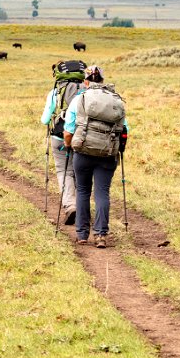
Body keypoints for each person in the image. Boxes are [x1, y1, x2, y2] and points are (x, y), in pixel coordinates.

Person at [63, 65, 128, 248]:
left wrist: (69, 145)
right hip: (107, 153)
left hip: (82, 152)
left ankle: (82, 234)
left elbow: (68, 130)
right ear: (102, 81)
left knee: (82, 191)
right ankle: (100, 235)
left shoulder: (79, 99)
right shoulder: (116, 100)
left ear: (86, 81)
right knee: (102, 192)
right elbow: (125, 129)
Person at [40, 63, 77, 225]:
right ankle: (83, 207)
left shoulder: (56, 92)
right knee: (81, 172)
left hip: (60, 137)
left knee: (64, 171)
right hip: (84, 138)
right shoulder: (88, 89)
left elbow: (45, 120)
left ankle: (70, 206)